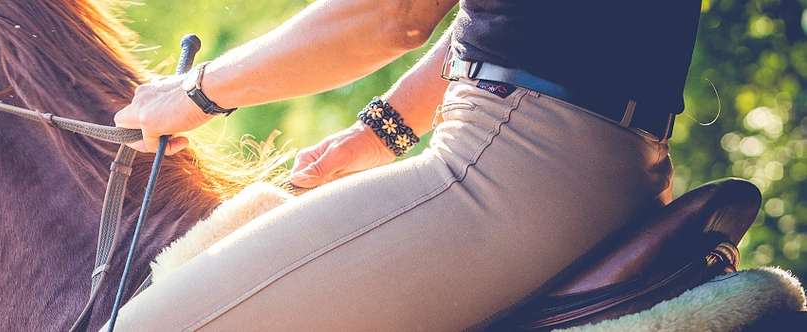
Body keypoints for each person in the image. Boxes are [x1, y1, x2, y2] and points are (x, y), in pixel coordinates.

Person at [110, 0, 698, 330]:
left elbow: (394, 16)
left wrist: (195, 93)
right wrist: (381, 131)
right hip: (615, 159)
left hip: (510, 170)